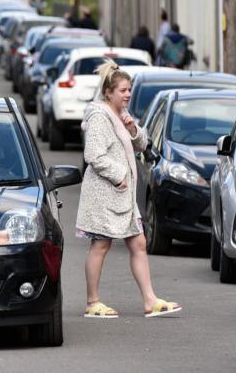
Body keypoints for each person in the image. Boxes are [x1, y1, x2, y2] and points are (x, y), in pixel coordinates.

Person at [77, 60, 181, 319]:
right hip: (105, 193)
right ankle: (93, 302)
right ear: (108, 92)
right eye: (123, 90)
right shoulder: (100, 116)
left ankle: (150, 300)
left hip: (123, 195)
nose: (127, 94)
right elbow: (94, 155)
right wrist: (118, 175)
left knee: (139, 243)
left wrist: (132, 127)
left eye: (129, 89)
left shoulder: (119, 115)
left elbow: (141, 144)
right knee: (100, 244)